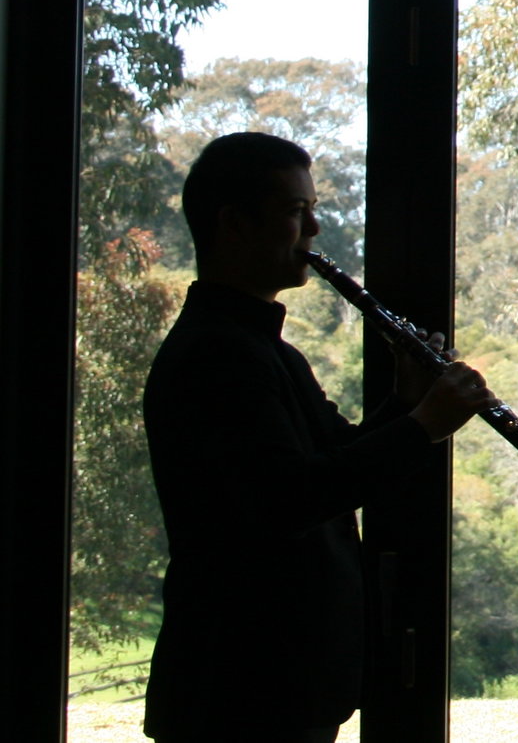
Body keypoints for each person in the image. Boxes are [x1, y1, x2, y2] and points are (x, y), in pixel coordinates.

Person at [143, 132, 498, 743]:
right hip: (240, 691)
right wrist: (422, 427)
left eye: (313, 209)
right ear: (233, 224)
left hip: (274, 687)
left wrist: (408, 401)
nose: (314, 230)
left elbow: (338, 460)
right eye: (295, 212)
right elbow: (289, 498)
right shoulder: (217, 357)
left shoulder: (264, 351)